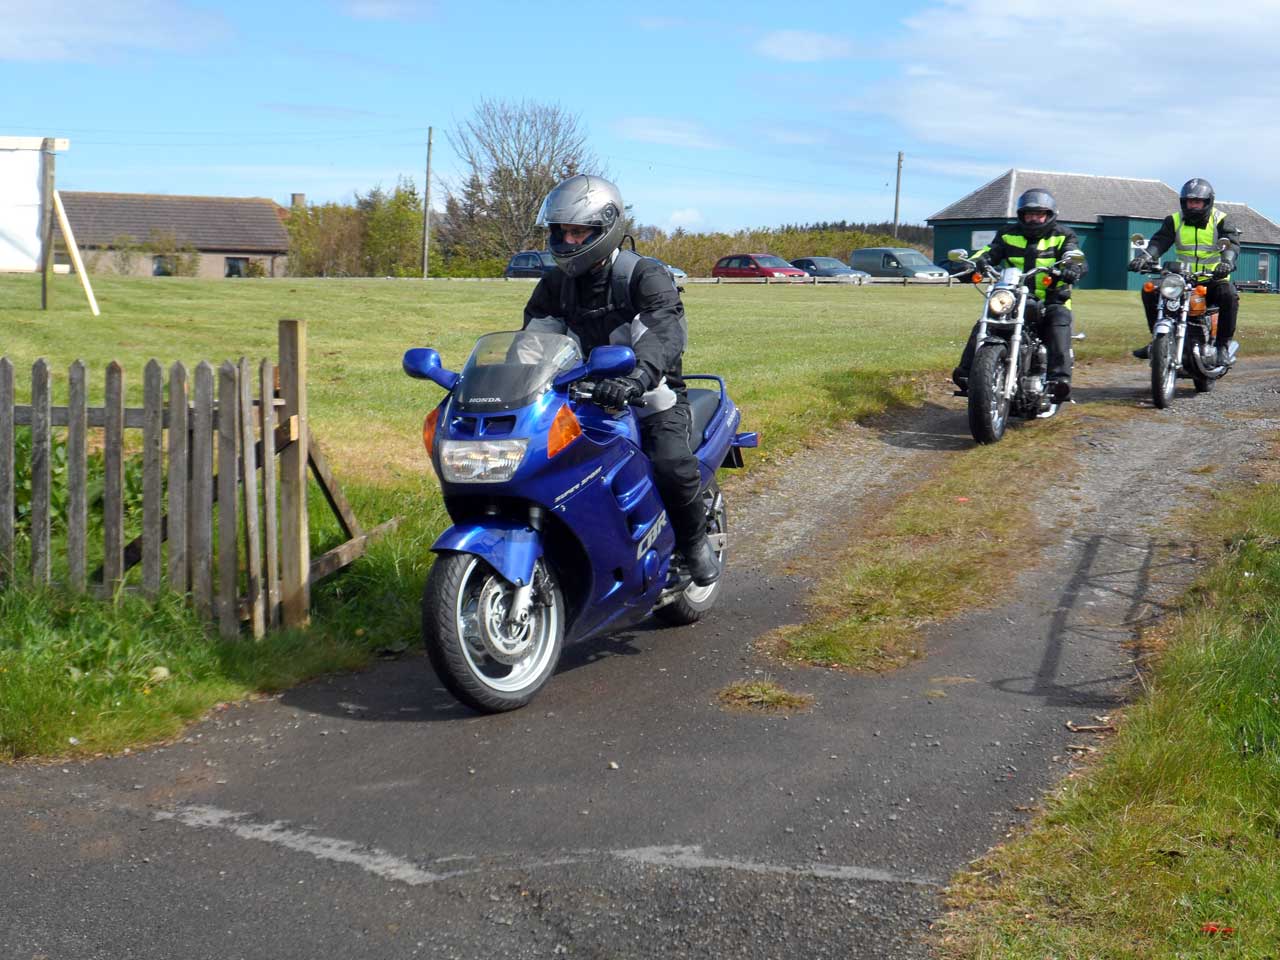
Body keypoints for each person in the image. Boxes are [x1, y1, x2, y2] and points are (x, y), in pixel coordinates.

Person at [522, 174, 719, 586]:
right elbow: (533, 341)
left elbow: (662, 334)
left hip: (649, 395)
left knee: (668, 463)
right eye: (562, 232)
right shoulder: (555, 283)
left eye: (579, 232)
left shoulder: (644, 276)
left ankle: (693, 541)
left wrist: (636, 380)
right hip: (576, 398)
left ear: (606, 229)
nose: (569, 241)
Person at [951, 188, 1087, 403]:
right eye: (1028, 214)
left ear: (1049, 215)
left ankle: (1058, 381)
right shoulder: (1007, 233)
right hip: (1012, 297)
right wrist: (974, 264)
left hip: (1051, 298)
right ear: (1021, 215)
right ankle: (968, 373)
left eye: (1038, 214)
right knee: (985, 322)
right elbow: (990, 251)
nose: (1033, 219)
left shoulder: (1063, 235)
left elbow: (1074, 254)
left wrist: (1073, 267)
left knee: (1059, 320)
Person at [1129, 178, 1241, 367]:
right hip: (1183, 278)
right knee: (1150, 290)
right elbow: (1160, 242)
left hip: (1213, 278)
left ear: (1207, 202)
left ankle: (1222, 347)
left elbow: (1231, 243)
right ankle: (1158, 340)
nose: (1193, 206)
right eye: (1189, 202)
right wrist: (1145, 257)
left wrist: (1227, 262)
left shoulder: (1220, 220)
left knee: (1229, 295)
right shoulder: (1174, 220)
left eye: (1197, 202)